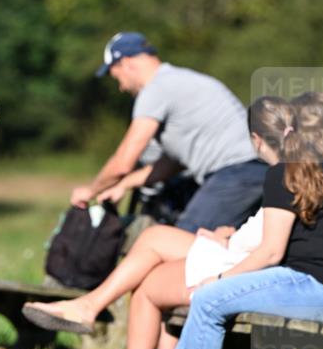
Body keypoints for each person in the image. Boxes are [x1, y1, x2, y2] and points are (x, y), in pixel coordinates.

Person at [24, 91, 323, 349]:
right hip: (319, 284)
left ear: (256, 139)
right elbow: (285, 237)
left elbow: (272, 250)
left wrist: (219, 279)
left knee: (207, 296)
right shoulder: (306, 168)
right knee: (185, 277)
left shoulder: (286, 172)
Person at [71, 32, 267, 233]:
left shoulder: (156, 89)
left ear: (127, 63)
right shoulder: (179, 79)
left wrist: (91, 190)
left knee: (180, 242)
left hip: (237, 172)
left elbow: (123, 161)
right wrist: (124, 184)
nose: (121, 87)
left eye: (116, 76)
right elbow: (172, 163)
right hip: (256, 168)